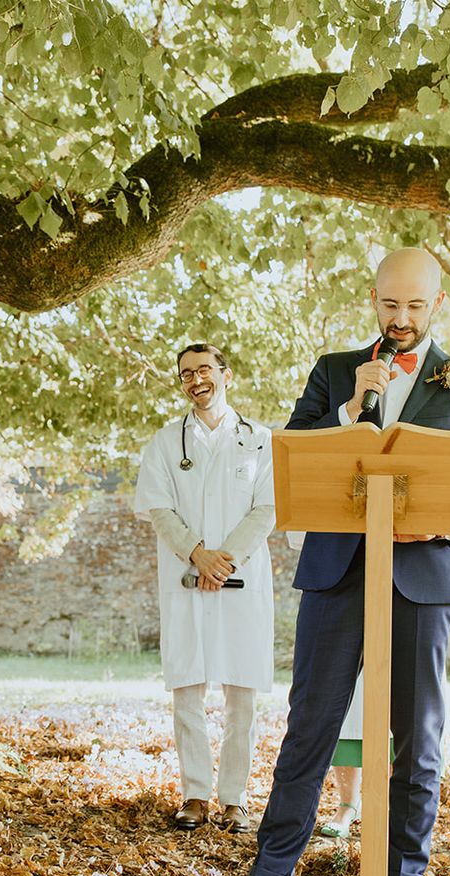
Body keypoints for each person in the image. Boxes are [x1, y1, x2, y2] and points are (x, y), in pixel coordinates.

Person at [209, 248, 450, 876]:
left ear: (438, 304)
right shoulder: (333, 371)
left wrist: (439, 524)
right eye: (389, 304)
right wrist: (349, 408)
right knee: (309, 728)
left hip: (423, 580)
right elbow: (287, 460)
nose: (400, 318)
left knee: (418, 738)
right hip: (338, 572)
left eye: (415, 306)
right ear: (373, 299)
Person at [133, 343, 275, 834]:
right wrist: (198, 555)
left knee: (242, 698)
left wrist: (224, 558)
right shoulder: (165, 443)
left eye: (205, 370)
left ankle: (234, 799)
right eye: (186, 374)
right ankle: (194, 794)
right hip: (187, 580)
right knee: (188, 693)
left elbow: (267, 509)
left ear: (225, 375)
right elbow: (159, 510)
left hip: (242, 580)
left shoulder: (260, 440)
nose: (196, 380)